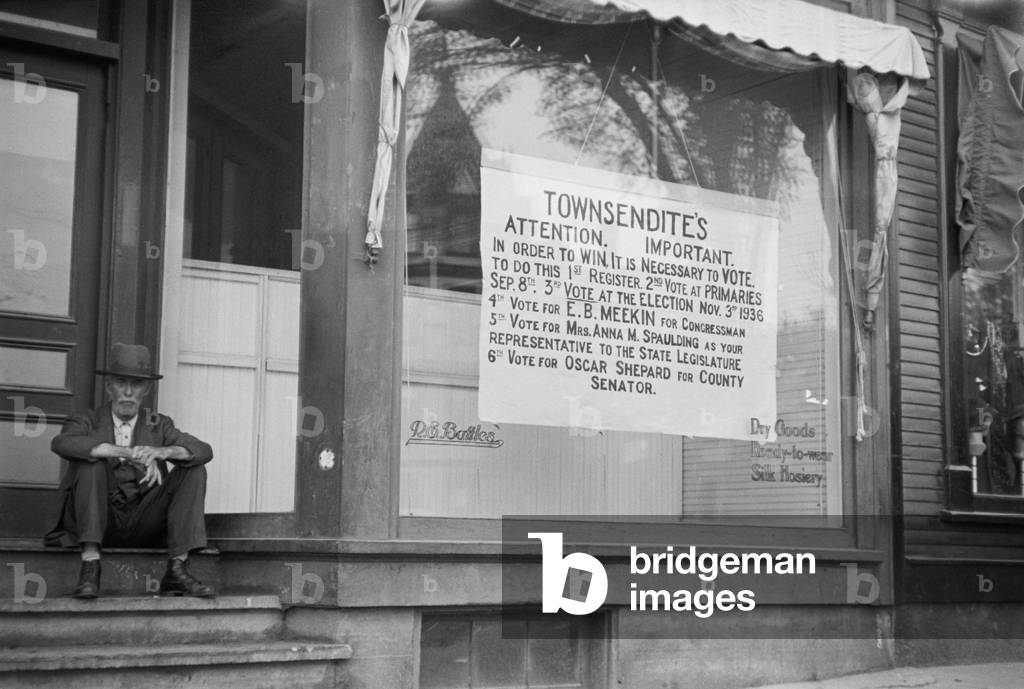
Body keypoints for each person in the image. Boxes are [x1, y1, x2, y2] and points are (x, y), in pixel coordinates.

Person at [45, 343, 215, 599]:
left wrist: (163, 452)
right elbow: (62, 443)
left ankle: (176, 570)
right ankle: (90, 566)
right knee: (90, 464)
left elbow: (203, 449)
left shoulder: (159, 425)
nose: (127, 392)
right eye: (121, 382)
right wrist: (125, 452)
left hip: (144, 522)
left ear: (146, 389)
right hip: (100, 520)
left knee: (193, 468)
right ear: (108, 386)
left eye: (136, 384)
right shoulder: (86, 420)